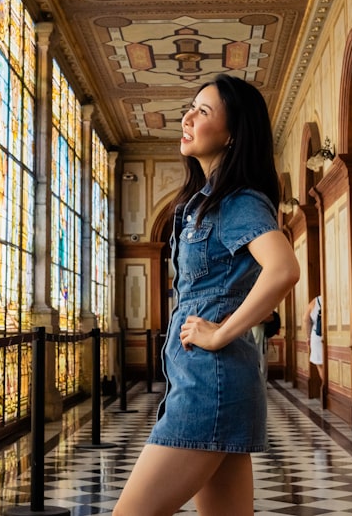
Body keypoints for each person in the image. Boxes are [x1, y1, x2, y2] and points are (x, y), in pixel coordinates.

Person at [113, 74, 300, 516]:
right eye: (191, 107)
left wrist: (220, 334)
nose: (188, 116)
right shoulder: (203, 201)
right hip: (211, 382)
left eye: (204, 111)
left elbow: (284, 269)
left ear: (233, 133)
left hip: (209, 385)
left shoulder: (237, 201)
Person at [303, 297, 324, 385]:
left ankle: (325, 387)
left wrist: (308, 337)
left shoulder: (316, 300)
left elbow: (305, 319)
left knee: (320, 365)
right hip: (332, 337)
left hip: (317, 337)